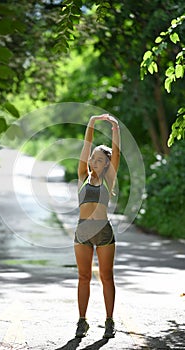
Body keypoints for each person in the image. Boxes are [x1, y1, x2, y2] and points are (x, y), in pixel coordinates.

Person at [74, 114, 120, 339]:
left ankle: (109, 321)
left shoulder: (108, 179)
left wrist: (115, 128)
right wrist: (91, 122)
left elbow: (117, 153)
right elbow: (86, 145)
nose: (94, 161)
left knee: (106, 277)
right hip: (82, 231)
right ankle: (82, 321)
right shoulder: (82, 175)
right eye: (93, 158)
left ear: (107, 165)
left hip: (103, 232)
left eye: (100, 159)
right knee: (83, 277)